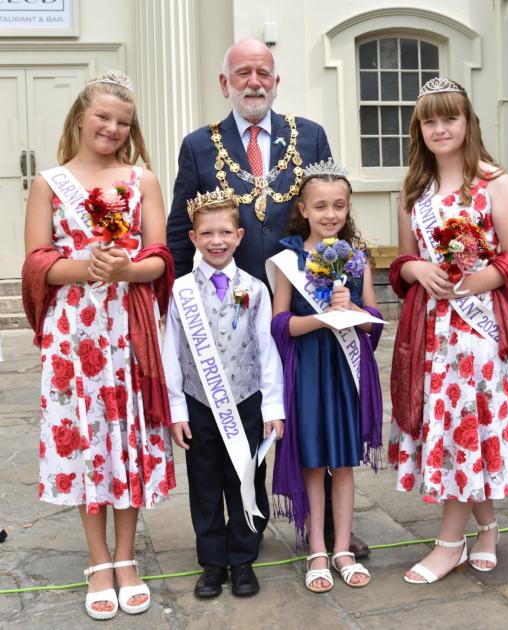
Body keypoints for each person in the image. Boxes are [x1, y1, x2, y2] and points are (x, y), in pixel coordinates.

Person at [167, 37, 369, 558]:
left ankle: (325, 532)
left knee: (313, 418)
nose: (253, 82)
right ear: (224, 83)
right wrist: (185, 304)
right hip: (228, 317)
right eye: (242, 74)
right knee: (246, 417)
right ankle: (243, 533)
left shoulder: (311, 136)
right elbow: (175, 233)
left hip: (302, 310)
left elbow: (333, 219)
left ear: (275, 80)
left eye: (263, 72)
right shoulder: (197, 146)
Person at [388, 77, 508, 584]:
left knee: (466, 425)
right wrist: (418, 272)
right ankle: (486, 529)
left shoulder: (492, 181)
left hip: (477, 331)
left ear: (468, 122)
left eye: (450, 118)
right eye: (430, 120)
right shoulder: (413, 189)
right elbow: (405, 260)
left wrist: (469, 282)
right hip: (429, 331)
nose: (440, 128)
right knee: (451, 428)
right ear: (418, 128)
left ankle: (449, 544)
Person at [22, 71, 176, 620]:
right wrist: (86, 265)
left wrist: (128, 266)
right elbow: (38, 263)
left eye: (124, 122)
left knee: (126, 435)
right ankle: (97, 560)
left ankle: (128, 559)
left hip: (128, 327)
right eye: (104, 117)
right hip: (74, 332)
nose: (112, 128)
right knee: (87, 437)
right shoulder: (49, 182)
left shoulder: (142, 180)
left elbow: (161, 257)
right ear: (81, 117)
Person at [266, 160, 384, 593]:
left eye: (338, 206)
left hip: (347, 371)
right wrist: (321, 319)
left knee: (344, 462)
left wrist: (352, 312)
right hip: (310, 370)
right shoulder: (288, 259)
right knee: (314, 461)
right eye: (320, 206)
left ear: (348, 207)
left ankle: (342, 549)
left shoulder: (358, 258)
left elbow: (373, 322)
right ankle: (316, 547)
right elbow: (280, 324)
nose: (330, 214)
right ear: (303, 208)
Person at [162, 189, 285, 598]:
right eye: (207, 233)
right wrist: (177, 408)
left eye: (225, 232)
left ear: (239, 235)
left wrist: (273, 406)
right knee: (204, 482)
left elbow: (267, 353)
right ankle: (213, 563)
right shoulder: (180, 292)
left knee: (247, 477)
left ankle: (243, 558)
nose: (217, 240)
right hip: (199, 403)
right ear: (194, 238)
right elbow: (171, 354)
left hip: (247, 400)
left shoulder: (255, 288)